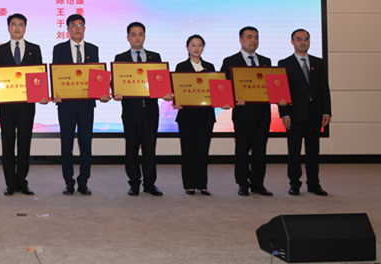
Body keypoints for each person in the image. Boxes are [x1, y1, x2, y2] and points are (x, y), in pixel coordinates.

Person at [221, 26, 284, 197]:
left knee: (260, 150)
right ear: (240, 40)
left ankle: (258, 183)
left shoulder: (265, 61)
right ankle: (243, 183)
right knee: (242, 149)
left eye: (256, 37)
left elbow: (272, 86)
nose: (253, 40)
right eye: (249, 37)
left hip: (263, 113)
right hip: (242, 113)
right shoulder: (230, 61)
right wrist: (233, 99)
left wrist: (280, 97)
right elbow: (224, 87)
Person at [52, 14, 109, 196]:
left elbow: (97, 76)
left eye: (80, 25)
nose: (77, 28)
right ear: (67, 29)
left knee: (85, 144)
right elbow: (56, 75)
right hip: (66, 105)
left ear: (84, 28)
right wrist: (55, 93)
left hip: (86, 105)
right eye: (73, 25)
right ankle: (68, 182)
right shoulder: (59, 49)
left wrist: (102, 92)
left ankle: (83, 181)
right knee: (66, 144)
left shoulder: (93, 49)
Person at [0, 13, 47, 196]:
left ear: (25, 28)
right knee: (7, 143)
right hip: (6, 105)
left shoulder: (34, 49)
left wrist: (42, 95)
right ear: (8, 28)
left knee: (24, 143)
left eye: (20, 24)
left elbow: (38, 76)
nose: (17, 28)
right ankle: (10, 183)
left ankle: (22, 181)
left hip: (26, 105)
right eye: (13, 24)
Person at [113, 22, 166, 196]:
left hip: (150, 111)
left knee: (150, 149)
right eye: (133, 34)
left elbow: (161, 81)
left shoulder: (155, 57)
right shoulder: (120, 58)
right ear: (128, 37)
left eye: (140, 34)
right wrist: (116, 92)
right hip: (131, 111)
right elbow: (115, 82)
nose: (137, 38)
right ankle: (134, 183)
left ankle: (150, 183)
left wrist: (166, 92)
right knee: (132, 148)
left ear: (145, 36)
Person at [278, 29, 331, 197]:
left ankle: (314, 184)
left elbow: (324, 88)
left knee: (313, 150)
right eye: (299, 39)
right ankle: (294, 183)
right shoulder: (284, 63)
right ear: (292, 42)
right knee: (294, 151)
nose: (303, 42)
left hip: (315, 113)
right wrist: (284, 114)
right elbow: (281, 91)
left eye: (306, 39)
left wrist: (326, 111)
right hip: (294, 114)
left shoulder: (318, 62)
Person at [171, 35, 224, 196]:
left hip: (206, 115)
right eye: (193, 45)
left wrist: (223, 100)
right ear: (187, 47)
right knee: (188, 151)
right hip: (187, 116)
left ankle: (202, 184)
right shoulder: (181, 67)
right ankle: (189, 184)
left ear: (203, 48)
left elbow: (215, 90)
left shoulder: (210, 66)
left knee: (202, 150)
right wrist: (176, 101)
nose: (196, 48)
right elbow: (177, 89)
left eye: (199, 45)